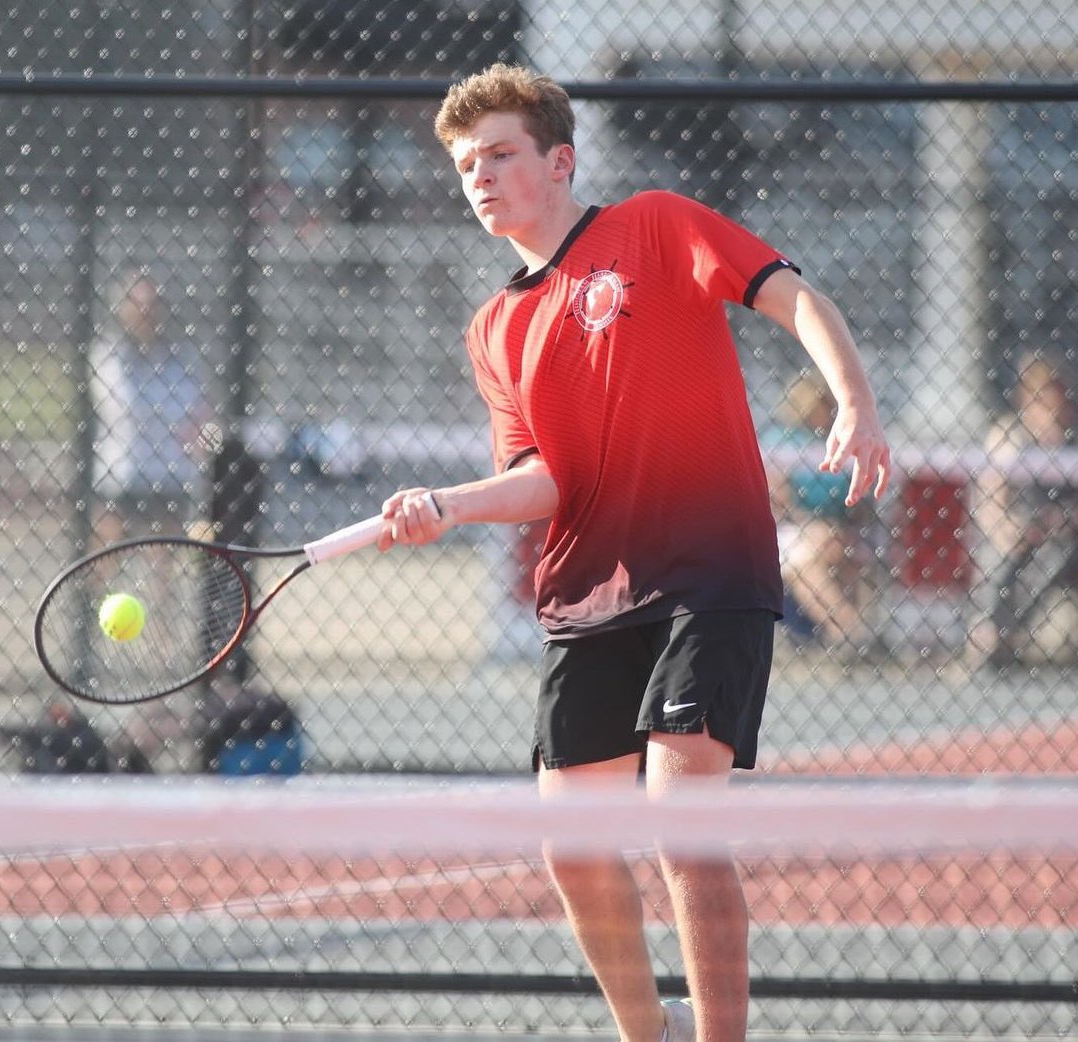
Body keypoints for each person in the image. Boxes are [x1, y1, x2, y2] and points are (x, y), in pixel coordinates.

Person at [377, 65, 890, 1042]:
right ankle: (642, 1032)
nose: (479, 176)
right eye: (463, 163)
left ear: (559, 161)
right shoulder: (494, 327)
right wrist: (449, 506)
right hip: (586, 595)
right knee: (574, 845)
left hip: (711, 574)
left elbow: (795, 299)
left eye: (500, 154)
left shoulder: (659, 224)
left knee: (678, 822)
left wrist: (858, 405)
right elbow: (544, 478)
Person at [764, 373, 886, 654]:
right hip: (791, 529)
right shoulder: (781, 439)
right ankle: (850, 633)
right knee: (807, 561)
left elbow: (859, 497)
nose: (825, 408)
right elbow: (779, 501)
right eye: (819, 401)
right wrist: (813, 526)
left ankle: (848, 635)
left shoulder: (842, 437)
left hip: (838, 529)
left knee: (851, 553)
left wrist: (838, 528)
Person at [972, 356, 1078, 667]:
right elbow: (990, 498)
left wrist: (1062, 520)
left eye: (1058, 394)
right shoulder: (1011, 434)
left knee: (1056, 553)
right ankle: (992, 633)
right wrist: (1009, 527)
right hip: (1018, 528)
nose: (1054, 404)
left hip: (1065, 535)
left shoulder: (1071, 436)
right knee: (1005, 554)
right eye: (1044, 395)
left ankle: (1010, 632)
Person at [89, 274, 210, 543]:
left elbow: (199, 414)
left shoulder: (181, 359)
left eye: (151, 306)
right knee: (104, 552)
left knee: (160, 562)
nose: (145, 313)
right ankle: (90, 587)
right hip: (120, 474)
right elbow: (121, 404)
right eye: (136, 304)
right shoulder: (108, 356)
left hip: (168, 475)